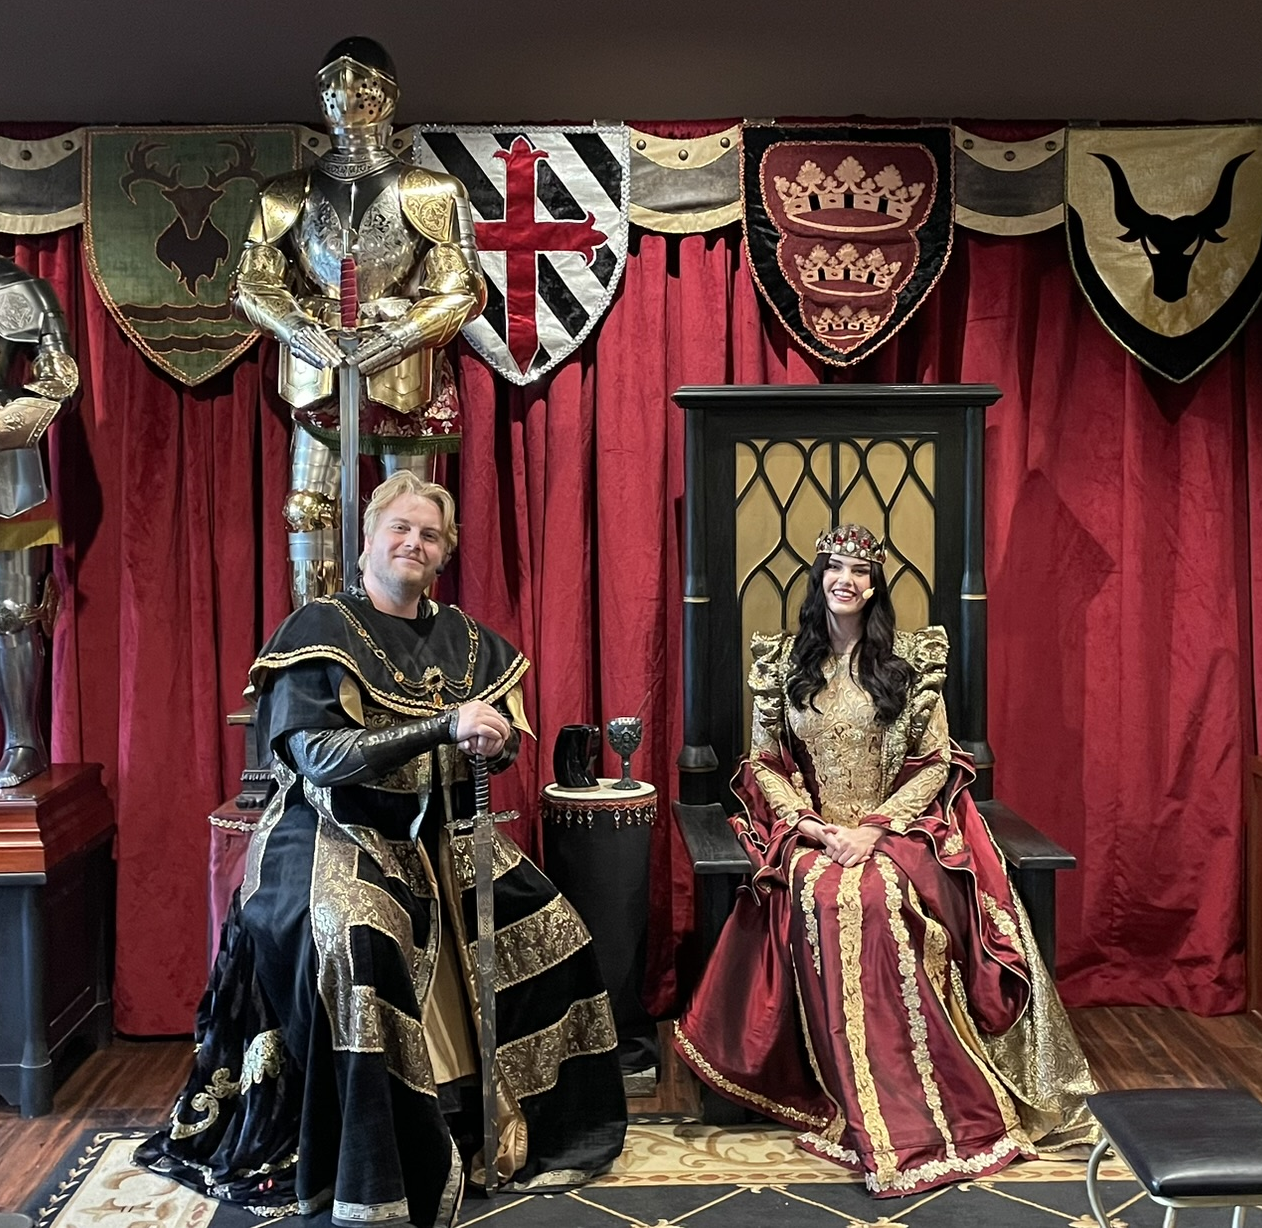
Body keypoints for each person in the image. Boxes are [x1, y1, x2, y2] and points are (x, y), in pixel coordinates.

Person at [137, 473, 627, 1227]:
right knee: (357, 937)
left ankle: (496, 1117)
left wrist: (491, 746)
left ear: (444, 554)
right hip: (327, 827)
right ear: (366, 541)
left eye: (429, 535)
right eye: (399, 529)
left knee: (552, 920)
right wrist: (443, 726)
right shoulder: (318, 629)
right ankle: (382, 1152)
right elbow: (321, 757)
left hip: (435, 830)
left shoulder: (468, 641)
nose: (414, 544)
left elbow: (490, 752)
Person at [673, 523, 1097, 1197]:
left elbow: (936, 765)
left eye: (859, 571)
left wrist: (875, 828)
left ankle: (921, 1102)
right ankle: (862, 1095)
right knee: (824, 891)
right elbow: (763, 763)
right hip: (812, 834)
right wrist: (808, 825)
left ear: (874, 586)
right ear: (820, 579)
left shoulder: (908, 662)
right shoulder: (784, 663)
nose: (846, 579)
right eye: (835, 568)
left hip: (897, 830)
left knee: (873, 896)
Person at [232, 37, 485, 607]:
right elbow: (252, 281)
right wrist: (297, 327)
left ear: (387, 97)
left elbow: (461, 288)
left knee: (413, 517)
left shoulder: (432, 191)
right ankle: (316, 646)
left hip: (404, 366)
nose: (348, 96)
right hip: (317, 360)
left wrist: (400, 332)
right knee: (306, 509)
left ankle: (409, 645)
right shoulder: (285, 192)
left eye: (362, 87)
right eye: (335, 87)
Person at [0, 256, 78, 786]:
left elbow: (61, 377)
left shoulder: (16, 286)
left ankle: (22, 738)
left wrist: (9, 421)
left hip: (3, 461)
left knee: (10, 612)